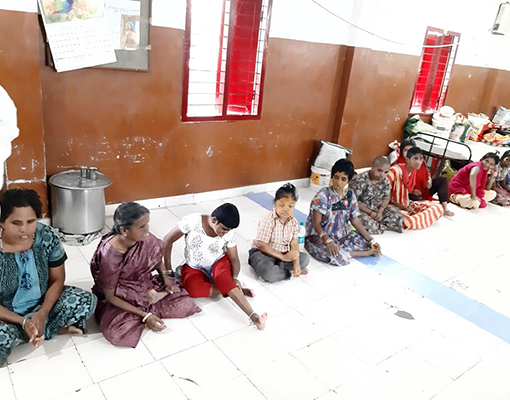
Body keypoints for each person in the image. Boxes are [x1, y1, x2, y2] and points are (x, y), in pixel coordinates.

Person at [0, 189, 97, 367]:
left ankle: (33, 330)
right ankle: (47, 329)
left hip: (42, 304)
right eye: (16, 223)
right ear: (2, 222)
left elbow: (58, 279)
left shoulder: (46, 236)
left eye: (31, 221)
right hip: (5, 314)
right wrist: (22, 321)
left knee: (85, 300)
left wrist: (43, 312)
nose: (24, 229)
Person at [90, 202, 200, 347]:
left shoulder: (144, 238)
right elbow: (110, 297)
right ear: (124, 230)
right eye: (142, 226)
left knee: (186, 305)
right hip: (120, 295)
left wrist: (166, 280)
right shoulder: (109, 256)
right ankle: (146, 306)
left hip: (143, 285)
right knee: (116, 333)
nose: (147, 229)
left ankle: (148, 302)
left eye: (147, 224)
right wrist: (145, 316)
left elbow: (157, 260)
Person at [163, 203, 268, 330]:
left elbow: (234, 259)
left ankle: (254, 317)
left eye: (228, 230)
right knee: (193, 289)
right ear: (214, 220)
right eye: (224, 229)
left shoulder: (228, 232)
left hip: (218, 262)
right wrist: (168, 271)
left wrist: (234, 277)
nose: (225, 233)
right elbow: (167, 240)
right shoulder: (192, 221)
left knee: (223, 278)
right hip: (194, 266)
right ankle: (232, 290)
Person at [305, 159, 381, 267]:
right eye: (336, 177)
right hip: (319, 237)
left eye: (343, 179)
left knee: (363, 242)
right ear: (332, 176)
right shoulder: (323, 196)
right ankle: (359, 254)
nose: (338, 182)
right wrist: (328, 241)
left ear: (348, 180)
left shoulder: (350, 196)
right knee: (332, 254)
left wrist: (371, 241)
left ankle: (349, 251)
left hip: (340, 237)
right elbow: (316, 223)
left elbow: (355, 221)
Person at [249, 183, 310, 282]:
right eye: (281, 205)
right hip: (263, 253)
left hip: (282, 254)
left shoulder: (293, 222)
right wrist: (283, 257)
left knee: (305, 259)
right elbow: (262, 245)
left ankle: (277, 270)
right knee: (268, 272)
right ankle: (284, 272)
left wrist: (296, 263)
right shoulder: (268, 219)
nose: (285, 209)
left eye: (290, 206)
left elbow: (294, 243)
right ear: (275, 203)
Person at [387, 147, 444, 229]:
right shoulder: (394, 170)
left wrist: (407, 206)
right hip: (392, 206)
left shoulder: (413, 171)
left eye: (421, 158)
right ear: (407, 160)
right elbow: (384, 194)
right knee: (402, 217)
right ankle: (413, 221)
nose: (418, 162)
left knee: (438, 207)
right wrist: (402, 206)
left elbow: (408, 192)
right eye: (415, 158)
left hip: (407, 204)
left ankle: (412, 221)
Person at [397, 139, 454, 216]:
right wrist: (412, 191)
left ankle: (445, 208)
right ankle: (426, 208)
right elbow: (399, 184)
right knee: (419, 200)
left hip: (424, 188)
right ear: (401, 151)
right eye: (405, 150)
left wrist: (429, 179)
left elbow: (427, 171)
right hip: (410, 193)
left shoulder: (419, 159)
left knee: (442, 180)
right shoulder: (400, 164)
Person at [349, 156, 403, 235]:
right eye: (379, 170)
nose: (382, 175)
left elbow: (386, 197)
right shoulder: (359, 180)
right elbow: (353, 201)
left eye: (386, 172)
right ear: (373, 167)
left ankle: (378, 225)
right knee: (363, 221)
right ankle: (377, 226)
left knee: (398, 215)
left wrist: (380, 210)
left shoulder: (385, 181)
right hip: (361, 210)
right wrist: (370, 213)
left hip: (377, 209)